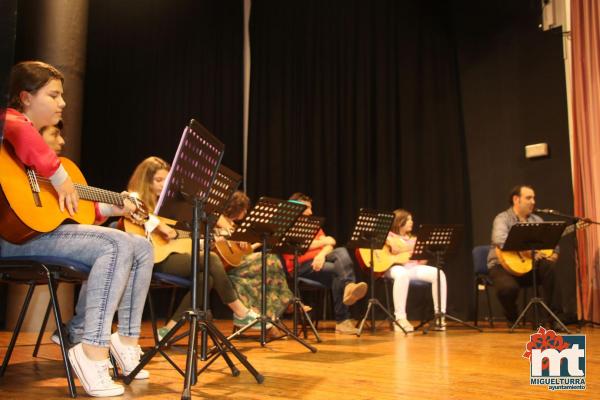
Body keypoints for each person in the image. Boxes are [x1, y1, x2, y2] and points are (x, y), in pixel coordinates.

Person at [1, 61, 153, 397]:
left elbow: (77, 212)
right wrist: (59, 177)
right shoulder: (10, 125)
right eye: (53, 95)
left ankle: (123, 340)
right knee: (114, 245)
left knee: (140, 246)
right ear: (25, 98)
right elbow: (16, 127)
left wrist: (114, 207)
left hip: (40, 234)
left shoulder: (54, 164)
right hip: (10, 238)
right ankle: (90, 348)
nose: (63, 103)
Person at [125, 157, 259, 338]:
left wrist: (212, 239)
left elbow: (180, 240)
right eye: (158, 180)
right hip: (151, 259)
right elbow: (131, 208)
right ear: (145, 181)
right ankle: (240, 311)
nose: (164, 184)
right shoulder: (134, 198)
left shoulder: (168, 206)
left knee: (206, 278)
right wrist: (160, 226)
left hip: (171, 255)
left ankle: (168, 329)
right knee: (211, 259)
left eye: (167, 180)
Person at [281, 193, 367, 335]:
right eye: (307, 208)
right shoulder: (287, 224)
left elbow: (331, 243)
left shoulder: (312, 225)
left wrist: (320, 255)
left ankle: (348, 287)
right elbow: (300, 245)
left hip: (318, 262)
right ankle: (343, 320)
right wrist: (322, 243)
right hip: (299, 265)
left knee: (341, 251)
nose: (311, 212)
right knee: (337, 271)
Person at [487, 185, 558, 326]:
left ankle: (555, 318)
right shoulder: (503, 218)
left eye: (534, 198)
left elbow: (551, 239)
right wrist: (526, 250)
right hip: (502, 266)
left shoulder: (536, 219)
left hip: (528, 266)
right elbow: (499, 239)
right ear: (516, 199)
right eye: (528, 198)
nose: (533, 201)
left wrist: (555, 252)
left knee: (548, 268)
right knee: (507, 289)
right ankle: (512, 317)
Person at [217, 191, 293, 323]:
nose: (245, 213)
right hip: (226, 265)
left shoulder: (235, 227)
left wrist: (261, 242)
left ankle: (271, 315)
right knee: (270, 260)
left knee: (269, 266)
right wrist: (235, 236)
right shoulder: (218, 222)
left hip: (239, 262)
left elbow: (244, 253)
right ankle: (286, 300)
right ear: (236, 208)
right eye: (244, 209)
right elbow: (221, 250)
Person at [383, 209, 447, 332]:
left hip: (411, 267)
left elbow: (421, 261)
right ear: (399, 222)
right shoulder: (388, 236)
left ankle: (440, 316)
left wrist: (424, 253)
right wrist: (412, 246)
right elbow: (395, 248)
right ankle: (400, 319)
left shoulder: (414, 238)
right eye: (408, 220)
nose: (411, 222)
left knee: (438, 274)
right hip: (393, 267)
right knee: (402, 275)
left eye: (411, 219)